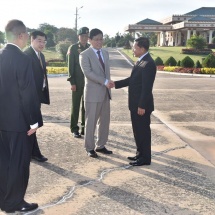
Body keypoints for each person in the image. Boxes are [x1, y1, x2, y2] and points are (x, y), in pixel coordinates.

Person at [0, 19, 41, 213]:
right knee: (19, 164)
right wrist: (34, 121)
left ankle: (4, 200)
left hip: (1, 121)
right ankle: (15, 203)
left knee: (4, 163)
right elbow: (28, 94)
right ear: (21, 36)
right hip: (19, 123)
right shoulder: (23, 59)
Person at [114, 37, 156, 166]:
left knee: (143, 131)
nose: (133, 49)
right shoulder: (140, 61)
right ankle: (139, 154)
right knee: (137, 131)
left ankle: (145, 158)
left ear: (142, 49)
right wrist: (115, 84)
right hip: (135, 104)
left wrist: (142, 105)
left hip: (141, 106)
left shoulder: (148, 63)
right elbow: (132, 80)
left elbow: (147, 87)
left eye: (135, 47)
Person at [79, 28, 114, 158]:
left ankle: (101, 145)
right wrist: (105, 81)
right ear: (90, 40)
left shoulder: (105, 53)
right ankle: (89, 147)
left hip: (105, 92)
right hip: (92, 94)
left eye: (101, 39)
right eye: (96, 39)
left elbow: (106, 71)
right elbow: (88, 73)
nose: (99, 42)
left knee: (104, 120)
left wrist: (108, 83)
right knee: (91, 121)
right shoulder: (84, 55)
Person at [24, 31, 50, 162]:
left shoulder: (41, 56)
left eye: (44, 41)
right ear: (31, 40)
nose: (42, 44)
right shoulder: (26, 55)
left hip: (37, 96)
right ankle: (34, 152)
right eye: (39, 41)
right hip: (28, 97)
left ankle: (32, 152)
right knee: (32, 124)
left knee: (32, 125)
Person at [67, 27, 90, 138]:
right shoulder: (74, 48)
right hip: (77, 82)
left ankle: (85, 127)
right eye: (82, 36)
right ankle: (74, 128)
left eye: (86, 36)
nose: (84, 38)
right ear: (78, 36)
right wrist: (72, 82)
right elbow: (70, 67)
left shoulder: (90, 48)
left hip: (88, 83)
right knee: (75, 106)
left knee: (86, 106)